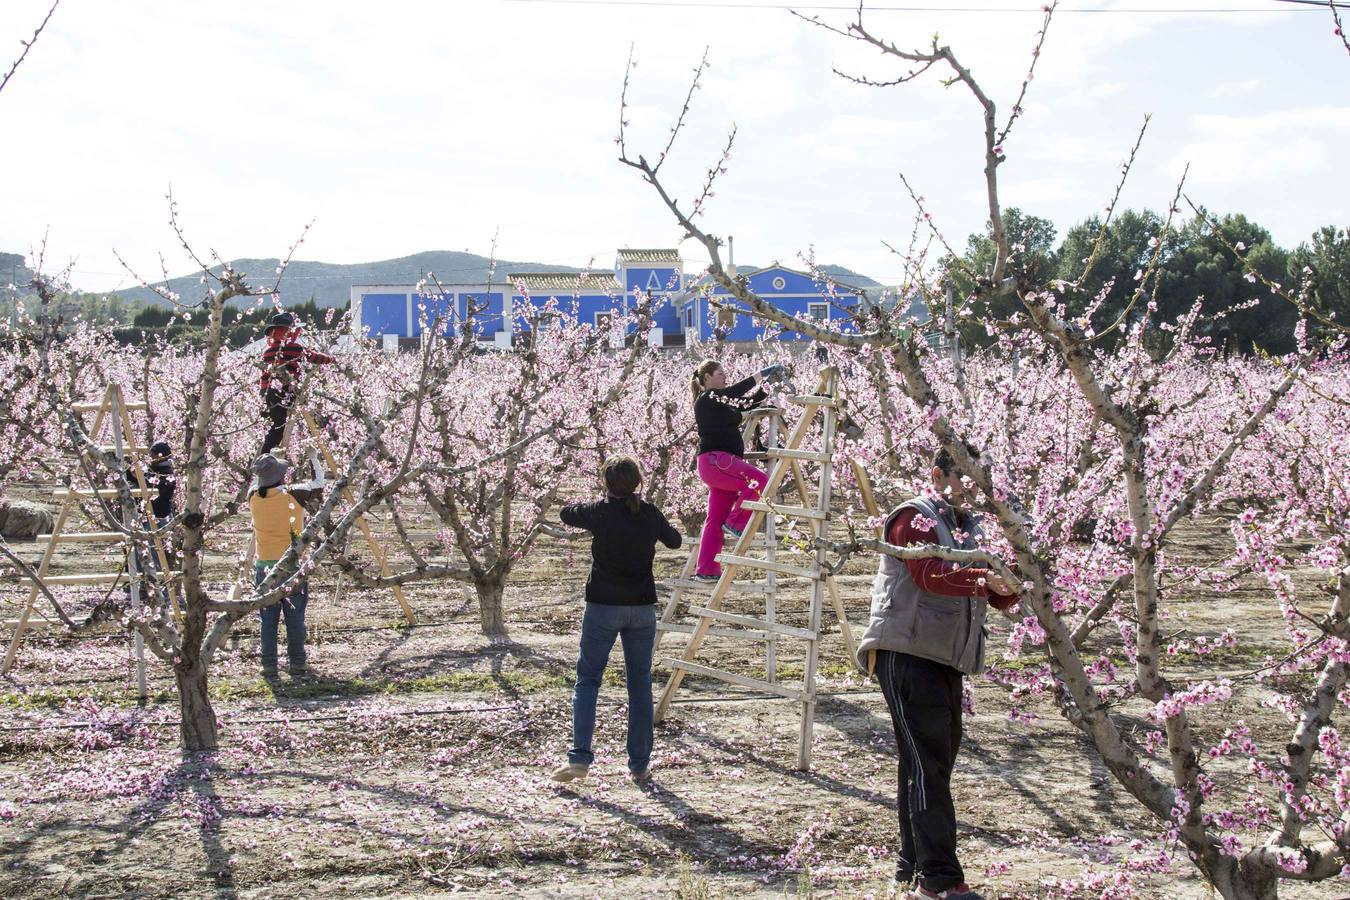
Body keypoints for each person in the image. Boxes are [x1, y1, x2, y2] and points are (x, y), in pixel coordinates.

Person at [855, 444, 1019, 900]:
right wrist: (985, 579)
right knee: (928, 763)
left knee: (929, 762)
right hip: (906, 652)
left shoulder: (970, 527)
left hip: (944, 657)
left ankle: (911, 867)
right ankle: (941, 881)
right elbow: (929, 575)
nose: (972, 487)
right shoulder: (915, 518)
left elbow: (993, 593)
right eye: (963, 475)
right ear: (937, 475)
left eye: (978, 477)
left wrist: (1012, 582)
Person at [552, 456, 683, 784]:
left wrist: (593, 503)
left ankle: (579, 758)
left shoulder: (599, 512)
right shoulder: (649, 513)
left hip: (603, 607)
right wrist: (654, 519)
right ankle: (639, 765)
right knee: (639, 684)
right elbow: (675, 541)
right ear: (638, 482)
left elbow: (566, 513)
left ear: (606, 483)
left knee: (588, 679)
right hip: (641, 608)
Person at [690, 359, 787, 582]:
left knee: (715, 519)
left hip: (719, 465)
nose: (725, 377)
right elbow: (736, 391)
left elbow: (749, 402)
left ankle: (706, 570)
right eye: (720, 373)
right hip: (717, 461)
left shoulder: (723, 402)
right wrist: (762, 374)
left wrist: (768, 386)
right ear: (707, 378)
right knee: (760, 481)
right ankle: (736, 522)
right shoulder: (708, 397)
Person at [248, 451, 325, 677]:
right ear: (281, 475)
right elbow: (319, 483)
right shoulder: (294, 494)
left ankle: (269, 665)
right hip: (291, 565)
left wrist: (269, 458)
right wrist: (313, 457)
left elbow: (254, 481)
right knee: (295, 617)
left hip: (263, 567)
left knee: (267, 620)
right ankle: (297, 663)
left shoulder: (253, 497)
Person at [259, 312, 334, 454]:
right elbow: (314, 357)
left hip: (268, 393)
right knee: (279, 427)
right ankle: (265, 457)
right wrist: (331, 359)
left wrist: (263, 393)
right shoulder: (295, 348)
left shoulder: (267, 352)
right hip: (287, 391)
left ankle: (265, 455)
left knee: (274, 424)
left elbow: (264, 376)